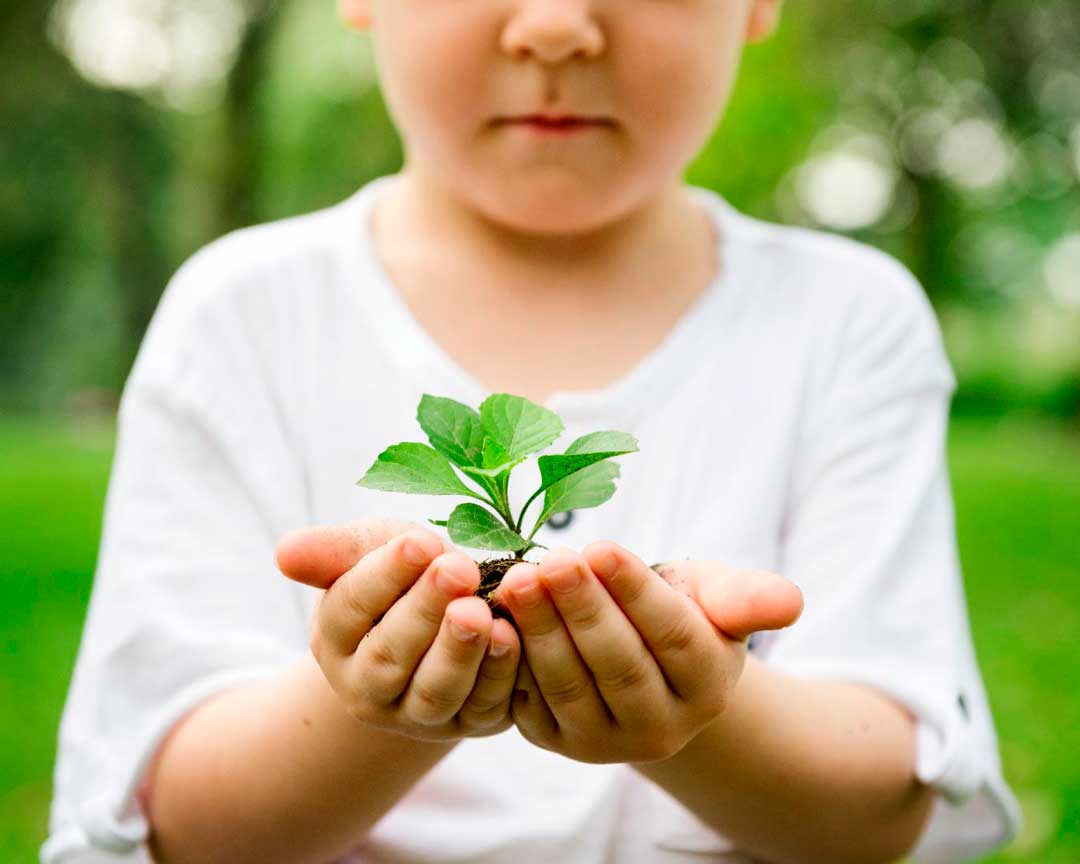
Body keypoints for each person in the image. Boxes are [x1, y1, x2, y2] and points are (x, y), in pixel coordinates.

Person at [43, 0, 1023, 862]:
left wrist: (703, 708)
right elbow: (182, 830)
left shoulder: (847, 318)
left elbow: (877, 814)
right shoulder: (241, 316)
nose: (556, 24)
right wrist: (380, 704)